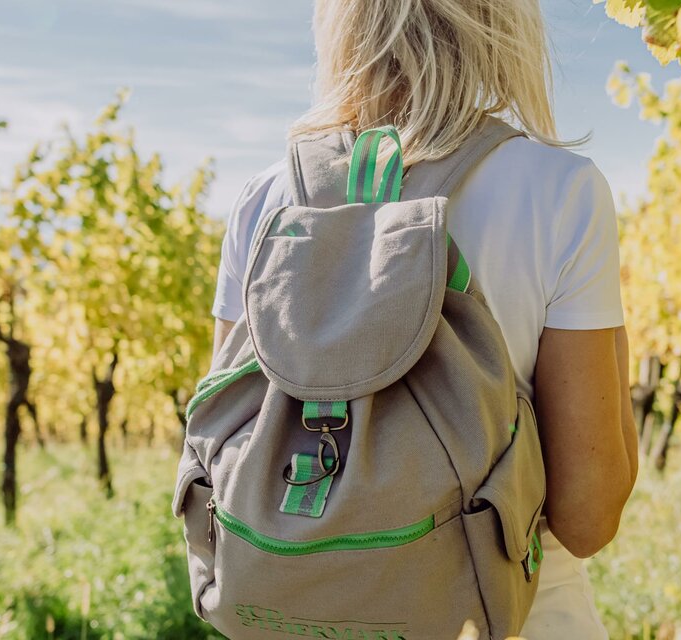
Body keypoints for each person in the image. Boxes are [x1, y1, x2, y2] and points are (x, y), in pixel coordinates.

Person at [205, 1, 637, 637]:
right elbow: (588, 516)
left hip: (294, 615)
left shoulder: (266, 201)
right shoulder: (558, 191)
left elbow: (218, 445)